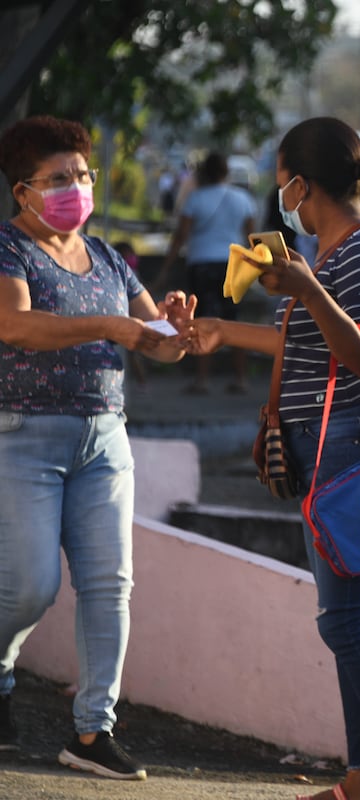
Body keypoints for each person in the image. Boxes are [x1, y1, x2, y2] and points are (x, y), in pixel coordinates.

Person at [178, 117, 360, 800]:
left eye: (283, 179)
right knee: (353, 620)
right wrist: (225, 332)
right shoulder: (331, 253)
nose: (280, 194)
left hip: (357, 442)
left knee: (355, 620)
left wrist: (307, 287)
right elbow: (308, 349)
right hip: (330, 442)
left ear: (302, 184)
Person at [0, 114, 194, 781]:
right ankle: (0, 669)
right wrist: (113, 324)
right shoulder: (8, 249)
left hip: (105, 440)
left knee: (110, 585)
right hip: (22, 439)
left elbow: (159, 342)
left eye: (82, 174)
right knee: (29, 588)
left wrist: (176, 330)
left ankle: (91, 733)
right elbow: (15, 326)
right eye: (59, 178)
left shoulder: (109, 257)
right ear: (22, 191)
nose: (76, 187)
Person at [159, 151, 258, 394]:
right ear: (226, 173)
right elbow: (252, 237)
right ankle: (241, 377)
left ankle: (202, 379)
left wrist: (166, 267)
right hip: (232, 263)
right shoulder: (242, 198)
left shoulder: (195, 199)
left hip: (201, 263)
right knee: (234, 320)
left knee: (201, 319)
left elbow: (181, 236)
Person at [112, 242, 148, 390]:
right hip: (124, 324)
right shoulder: (117, 270)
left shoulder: (127, 272)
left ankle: (141, 382)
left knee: (134, 356)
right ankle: (140, 383)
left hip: (132, 324)